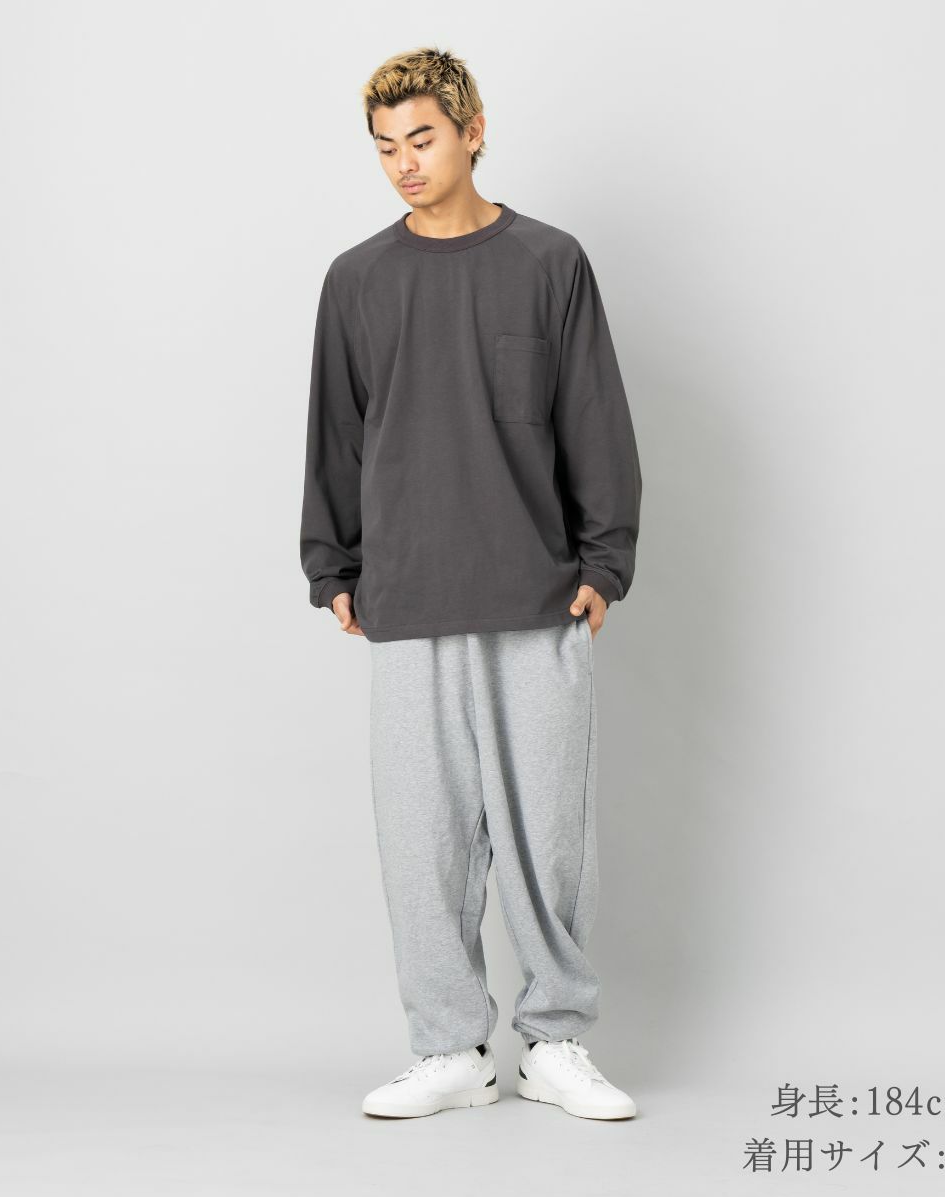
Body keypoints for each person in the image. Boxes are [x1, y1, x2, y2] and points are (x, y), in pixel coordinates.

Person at [299, 46, 642, 1121]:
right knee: (424, 843)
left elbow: (595, 415)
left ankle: (553, 1042)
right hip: (408, 600)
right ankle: (450, 1049)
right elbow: (336, 434)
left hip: (536, 596)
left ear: (473, 130)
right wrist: (333, 564)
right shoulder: (358, 280)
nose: (405, 163)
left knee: (549, 842)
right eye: (385, 148)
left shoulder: (549, 263)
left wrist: (606, 562)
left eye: (423, 139)